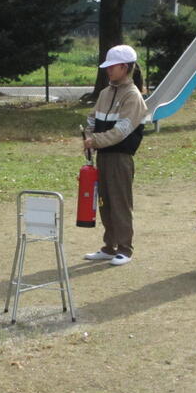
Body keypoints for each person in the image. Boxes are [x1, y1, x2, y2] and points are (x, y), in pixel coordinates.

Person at [82, 45, 147, 266]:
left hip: (120, 158)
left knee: (120, 203)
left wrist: (95, 140)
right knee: (104, 203)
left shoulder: (133, 96)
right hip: (103, 156)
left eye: (113, 66)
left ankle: (125, 248)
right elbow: (91, 119)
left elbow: (121, 131)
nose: (108, 70)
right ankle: (109, 246)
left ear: (125, 67)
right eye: (107, 66)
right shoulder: (105, 93)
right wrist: (88, 136)